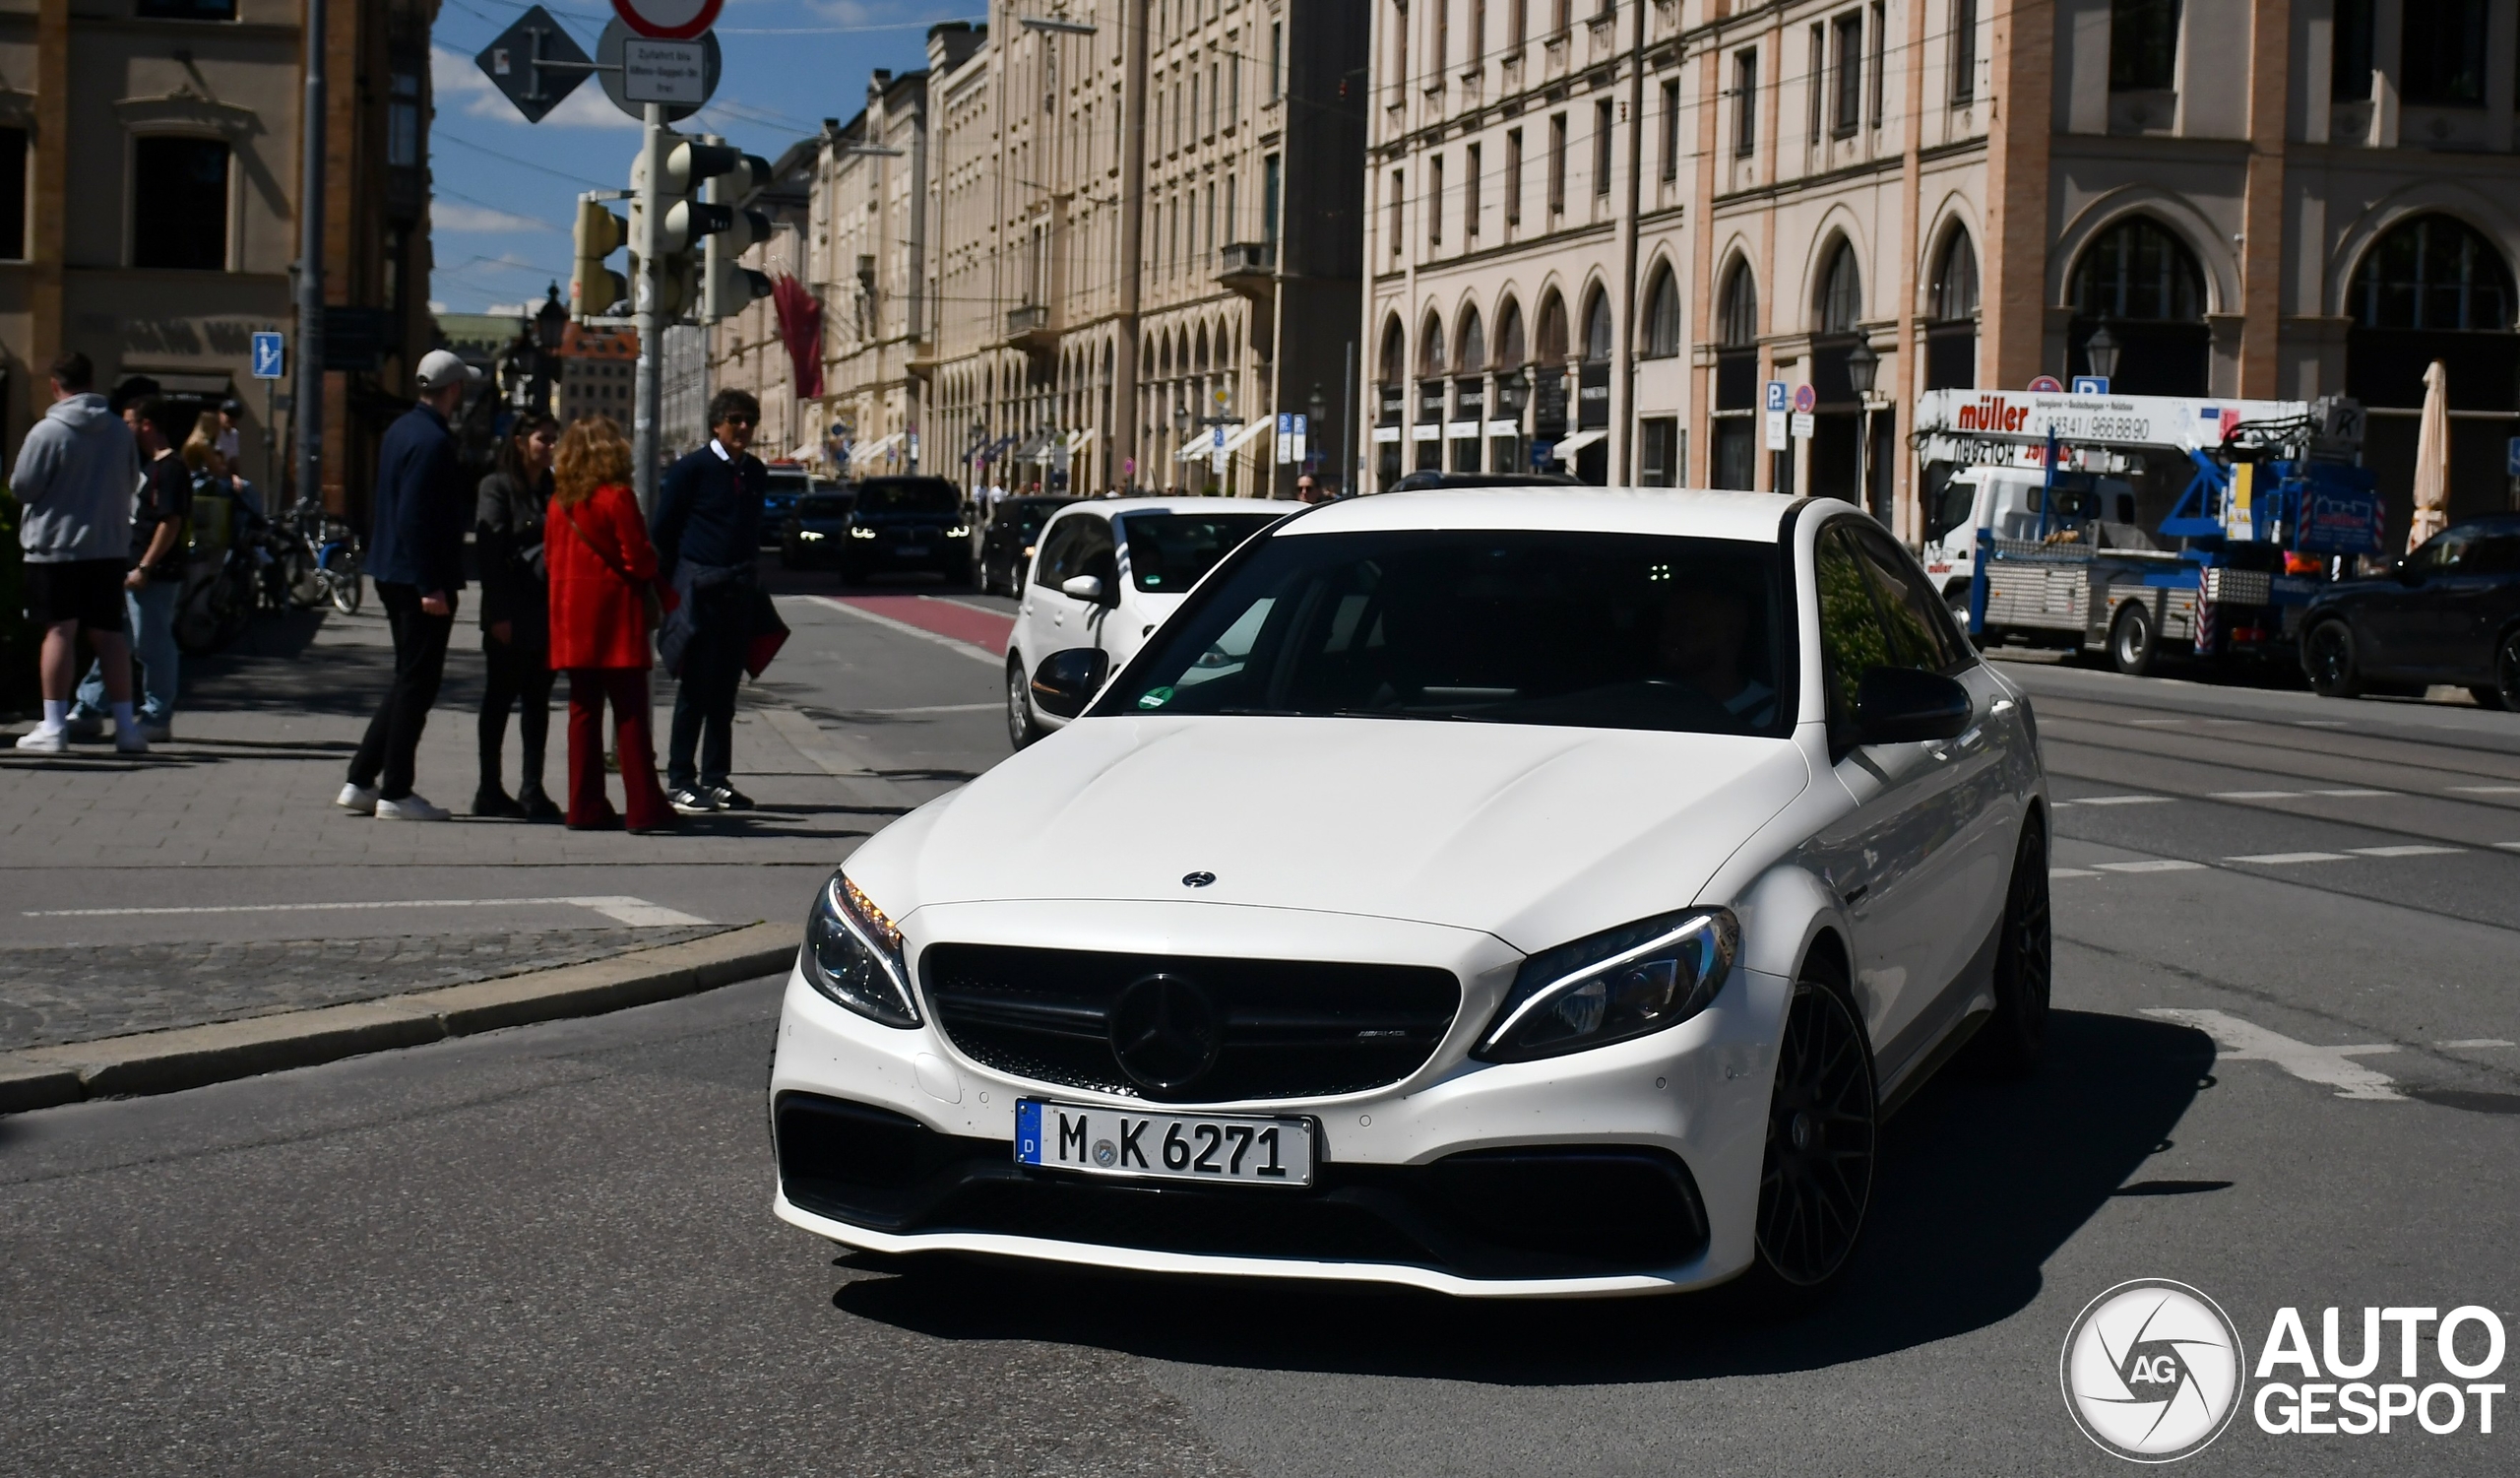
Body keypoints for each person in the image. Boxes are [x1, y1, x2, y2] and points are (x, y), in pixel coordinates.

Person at [338, 349, 478, 820]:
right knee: (418, 684)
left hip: (391, 570)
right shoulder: (433, 441)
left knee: (406, 681)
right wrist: (430, 584)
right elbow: (416, 516)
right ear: (453, 389)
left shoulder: (402, 429)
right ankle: (396, 791)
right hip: (419, 578)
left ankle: (361, 779)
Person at [546, 417, 673, 834]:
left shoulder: (558, 502)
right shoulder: (617, 497)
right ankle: (643, 808)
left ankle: (583, 805)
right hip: (616, 618)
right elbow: (638, 560)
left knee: (582, 713)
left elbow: (550, 561)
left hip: (572, 621)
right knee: (630, 714)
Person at [13, 353, 145, 754]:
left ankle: (54, 726)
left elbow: (23, 487)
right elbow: (130, 481)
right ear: (91, 382)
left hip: (55, 546)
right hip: (106, 546)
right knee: (110, 637)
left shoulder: (47, 432)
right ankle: (126, 727)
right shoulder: (119, 433)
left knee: (59, 632)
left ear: (56, 385)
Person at [651, 388, 765, 815]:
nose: (743, 428)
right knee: (695, 691)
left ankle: (716, 779)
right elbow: (664, 532)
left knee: (724, 694)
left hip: (738, 593)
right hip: (700, 593)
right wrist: (678, 583)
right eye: (735, 419)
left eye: (749, 421)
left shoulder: (754, 472)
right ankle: (680, 778)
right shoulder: (690, 470)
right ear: (716, 423)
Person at [65, 399, 188, 742]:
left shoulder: (171, 468)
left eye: (129, 422)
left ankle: (157, 714)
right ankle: (89, 707)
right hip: (131, 568)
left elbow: (170, 522)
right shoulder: (148, 466)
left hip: (153, 574)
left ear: (146, 424)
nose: (125, 428)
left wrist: (146, 565)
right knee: (116, 640)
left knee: (153, 646)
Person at [474, 414, 561, 820]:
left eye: (553, 440)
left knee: (538, 702)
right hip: (510, 610)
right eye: (543, 439)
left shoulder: (553, 488)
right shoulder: (497, 486)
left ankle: (532, 788)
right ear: (523, 441)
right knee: (499, 699)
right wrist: (498, 614)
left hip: (546, 613)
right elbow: (490, 557)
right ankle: (489, 789)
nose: (550, 447)